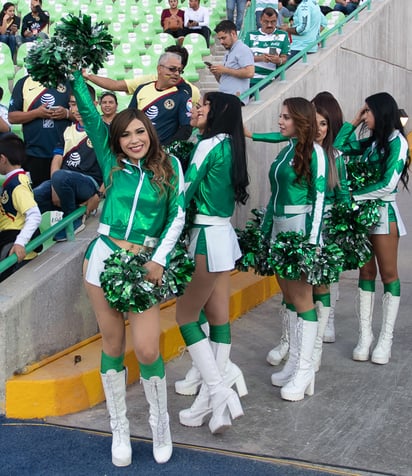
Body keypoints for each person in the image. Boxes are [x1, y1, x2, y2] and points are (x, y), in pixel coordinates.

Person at [71, 68, 185, 468]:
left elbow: (177, 216)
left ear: (149, 133)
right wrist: (72, 68)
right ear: (116, 140)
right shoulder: (111, 163)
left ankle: (159, 424)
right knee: (113, 345)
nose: (134, 140)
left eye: (140, 132)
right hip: (102, 258)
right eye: (125, 135)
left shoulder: (169, 167)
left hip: (145, 265)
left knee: (149, 347)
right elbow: (87, 109)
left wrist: (158, 259)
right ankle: (119, 427)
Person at [176, 92, 249, 434]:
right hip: (223, 237)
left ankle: (217, 392)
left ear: (217, 112)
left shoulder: (207, 146)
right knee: (219, 318)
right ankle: (213, 399)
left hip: (205, 237)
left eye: (204, 104)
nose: (197, 108)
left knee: (186, 316)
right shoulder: (231, 145)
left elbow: (185, 192)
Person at [250, 97, 328, 401]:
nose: (280, 122)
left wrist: (311, 242)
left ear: (300, 120)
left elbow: (319, 199)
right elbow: (273, 197)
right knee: (290, 299)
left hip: (300, 231)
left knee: (303, 299)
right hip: (280, 232)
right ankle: (295, 361)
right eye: (279, 116)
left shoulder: (316, 153)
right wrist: (266, 231)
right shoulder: (285, 152)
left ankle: (306, 369)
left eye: (285, 117)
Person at [334, 92, 409, 365]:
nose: (365, 116)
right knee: (365, 271)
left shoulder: (397, 143)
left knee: (388, 274)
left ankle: (385, 339)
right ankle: (365, 336)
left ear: (382, 112)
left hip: (383, 214)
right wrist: (353, 121)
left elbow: (389, 184)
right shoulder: (371, 143)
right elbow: (338, 148)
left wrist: (353, 197)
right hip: (363, 216)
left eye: (368, 111)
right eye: (363, 112)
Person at [33, 85, 103, 242]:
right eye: (72, 104)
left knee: (61, 177)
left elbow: (113, 167)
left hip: (88, 183)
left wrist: (98, 195)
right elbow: (57, 159)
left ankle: (73, 220)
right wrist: (54, 187)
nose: (76, 109)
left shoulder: (103, 130)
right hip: (63, 181)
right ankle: (31, 242)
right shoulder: (67, 130)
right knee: (34, 197)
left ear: (94, 104)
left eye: (80, 103)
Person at [82, 45, 201, 107]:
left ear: (182, 66)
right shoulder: (147, 81)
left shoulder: (191, 91)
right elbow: (115, 85)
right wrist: (88, 76)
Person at [8, 74, 72, 187]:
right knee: (37, 195)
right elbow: (12, 117)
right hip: (34, 153)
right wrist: (36, 113)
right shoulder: (23, 83)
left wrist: (67, 114)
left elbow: (85, 115)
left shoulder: (68, 82)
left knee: (60, 196)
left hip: (65, 153)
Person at [127, 52, 193, 145]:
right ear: (159, 69)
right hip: (138, 148)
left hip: (162, 154)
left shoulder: (182, 95)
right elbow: (128, 118)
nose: (177, 73)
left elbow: (186, 129)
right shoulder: (142, 89)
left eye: (179, 70)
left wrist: (166, 149)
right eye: (172, 69)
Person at [0, 133, 41, 282]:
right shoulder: (14, 181)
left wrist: (20, 242)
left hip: (14, 250)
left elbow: (34, 215)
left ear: (2, 159)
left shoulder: (18, 185)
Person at [207, 20, 254, 105]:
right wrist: (216, 73)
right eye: (219, 39)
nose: (221, 42)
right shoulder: (228, 52)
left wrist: (225, 70)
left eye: (223, 38)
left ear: (233, 34)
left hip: (235, 100)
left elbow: (250, 72)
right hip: (226, 97)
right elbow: (224, 80)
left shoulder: (242, 49)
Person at [243, 7, 290, 87]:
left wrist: (279, 60)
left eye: (273, 22)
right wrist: (261, 58)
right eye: (266, 22)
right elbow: (243, 58)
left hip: (270, 81)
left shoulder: (283, 35)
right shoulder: (250, 35)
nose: (269, 25)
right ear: (260, 20)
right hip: (250, 80)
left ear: (277, 21)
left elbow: (284, 57)